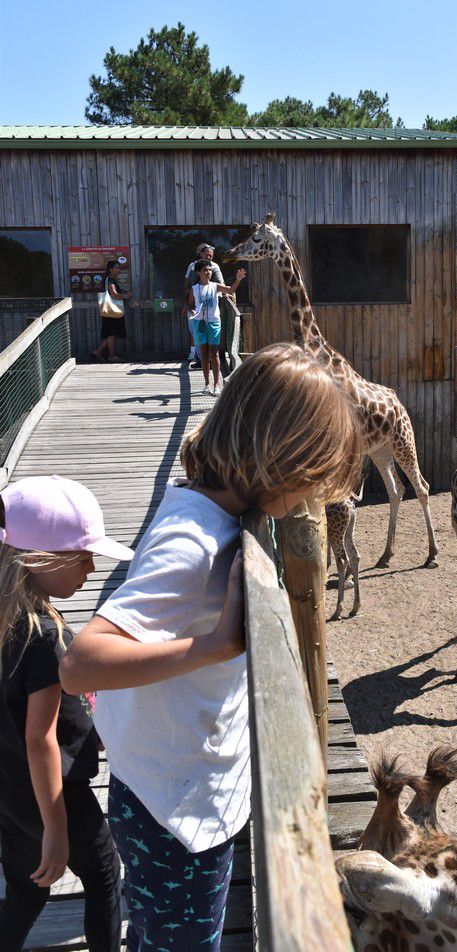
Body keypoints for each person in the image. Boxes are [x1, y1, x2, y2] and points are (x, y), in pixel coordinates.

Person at [59, 342, 362, 952]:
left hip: (165, 794)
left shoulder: (202, 508)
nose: (309, 496)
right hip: (174, 818)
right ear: (281, 461)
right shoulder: (194, 541)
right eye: (310, 479)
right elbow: (80, 663)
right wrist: (214, 646)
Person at [0, 475, 133, 952]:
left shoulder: (9, 621)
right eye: (82, 558)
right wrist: (55, 829)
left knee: (25, 885)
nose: (92, 567)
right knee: (102, 875)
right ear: (41, 559)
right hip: (56, 794)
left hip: (10, 790)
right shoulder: (41, 637)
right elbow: (41, 740)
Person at [183, 244, 245, 372]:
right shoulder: (192, 267)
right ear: (201, 254)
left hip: (211, 310)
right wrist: (188, 305)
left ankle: (213, 367)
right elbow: (187, 285)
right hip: (196, 308)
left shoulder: (214, 267)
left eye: (211, 255)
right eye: (207, 254)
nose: (209, 257)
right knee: (195, 333)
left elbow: (225, 287)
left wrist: (234, 284)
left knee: (213, 345)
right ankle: (200, 360)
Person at [187, 259, 229, 395]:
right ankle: (207, 384)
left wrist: (239, 279)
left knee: (214, 353)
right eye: (205, 270)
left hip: (213, 322)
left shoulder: (215, 286)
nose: (208, 272)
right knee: (204, 354)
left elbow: (231, 290)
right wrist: (192, 310)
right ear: (198, 272)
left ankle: (217, 384)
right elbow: (190, 304)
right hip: (199, 323)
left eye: (210, 269)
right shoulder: (194, 289)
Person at [91, 261, 132, 364]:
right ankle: (111, 356)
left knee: (112, 334)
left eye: (119, 268)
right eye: (116, 268)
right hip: (112, 310)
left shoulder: (111, 280)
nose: (119, 270)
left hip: (110, 311)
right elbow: (113, 294)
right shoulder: (110, 280)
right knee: (112, 334)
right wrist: (125, 296)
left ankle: (97, 352)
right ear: (110, 269)